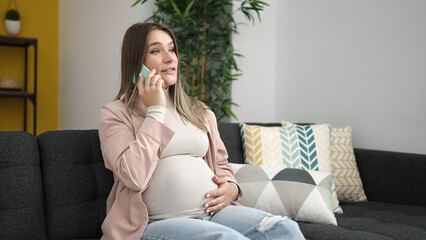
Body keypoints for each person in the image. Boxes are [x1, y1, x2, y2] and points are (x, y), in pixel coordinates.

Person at [98, 22, 305, 240]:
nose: (170, 58)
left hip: (215, 214)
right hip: (153, 224)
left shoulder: (200, 111)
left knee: (284, 228)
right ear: (136, 63)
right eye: (156, 51)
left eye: (172, 49)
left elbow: (221, 164)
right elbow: (134, 177)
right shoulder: (115, 114)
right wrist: (155, 111)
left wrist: (232, 188)